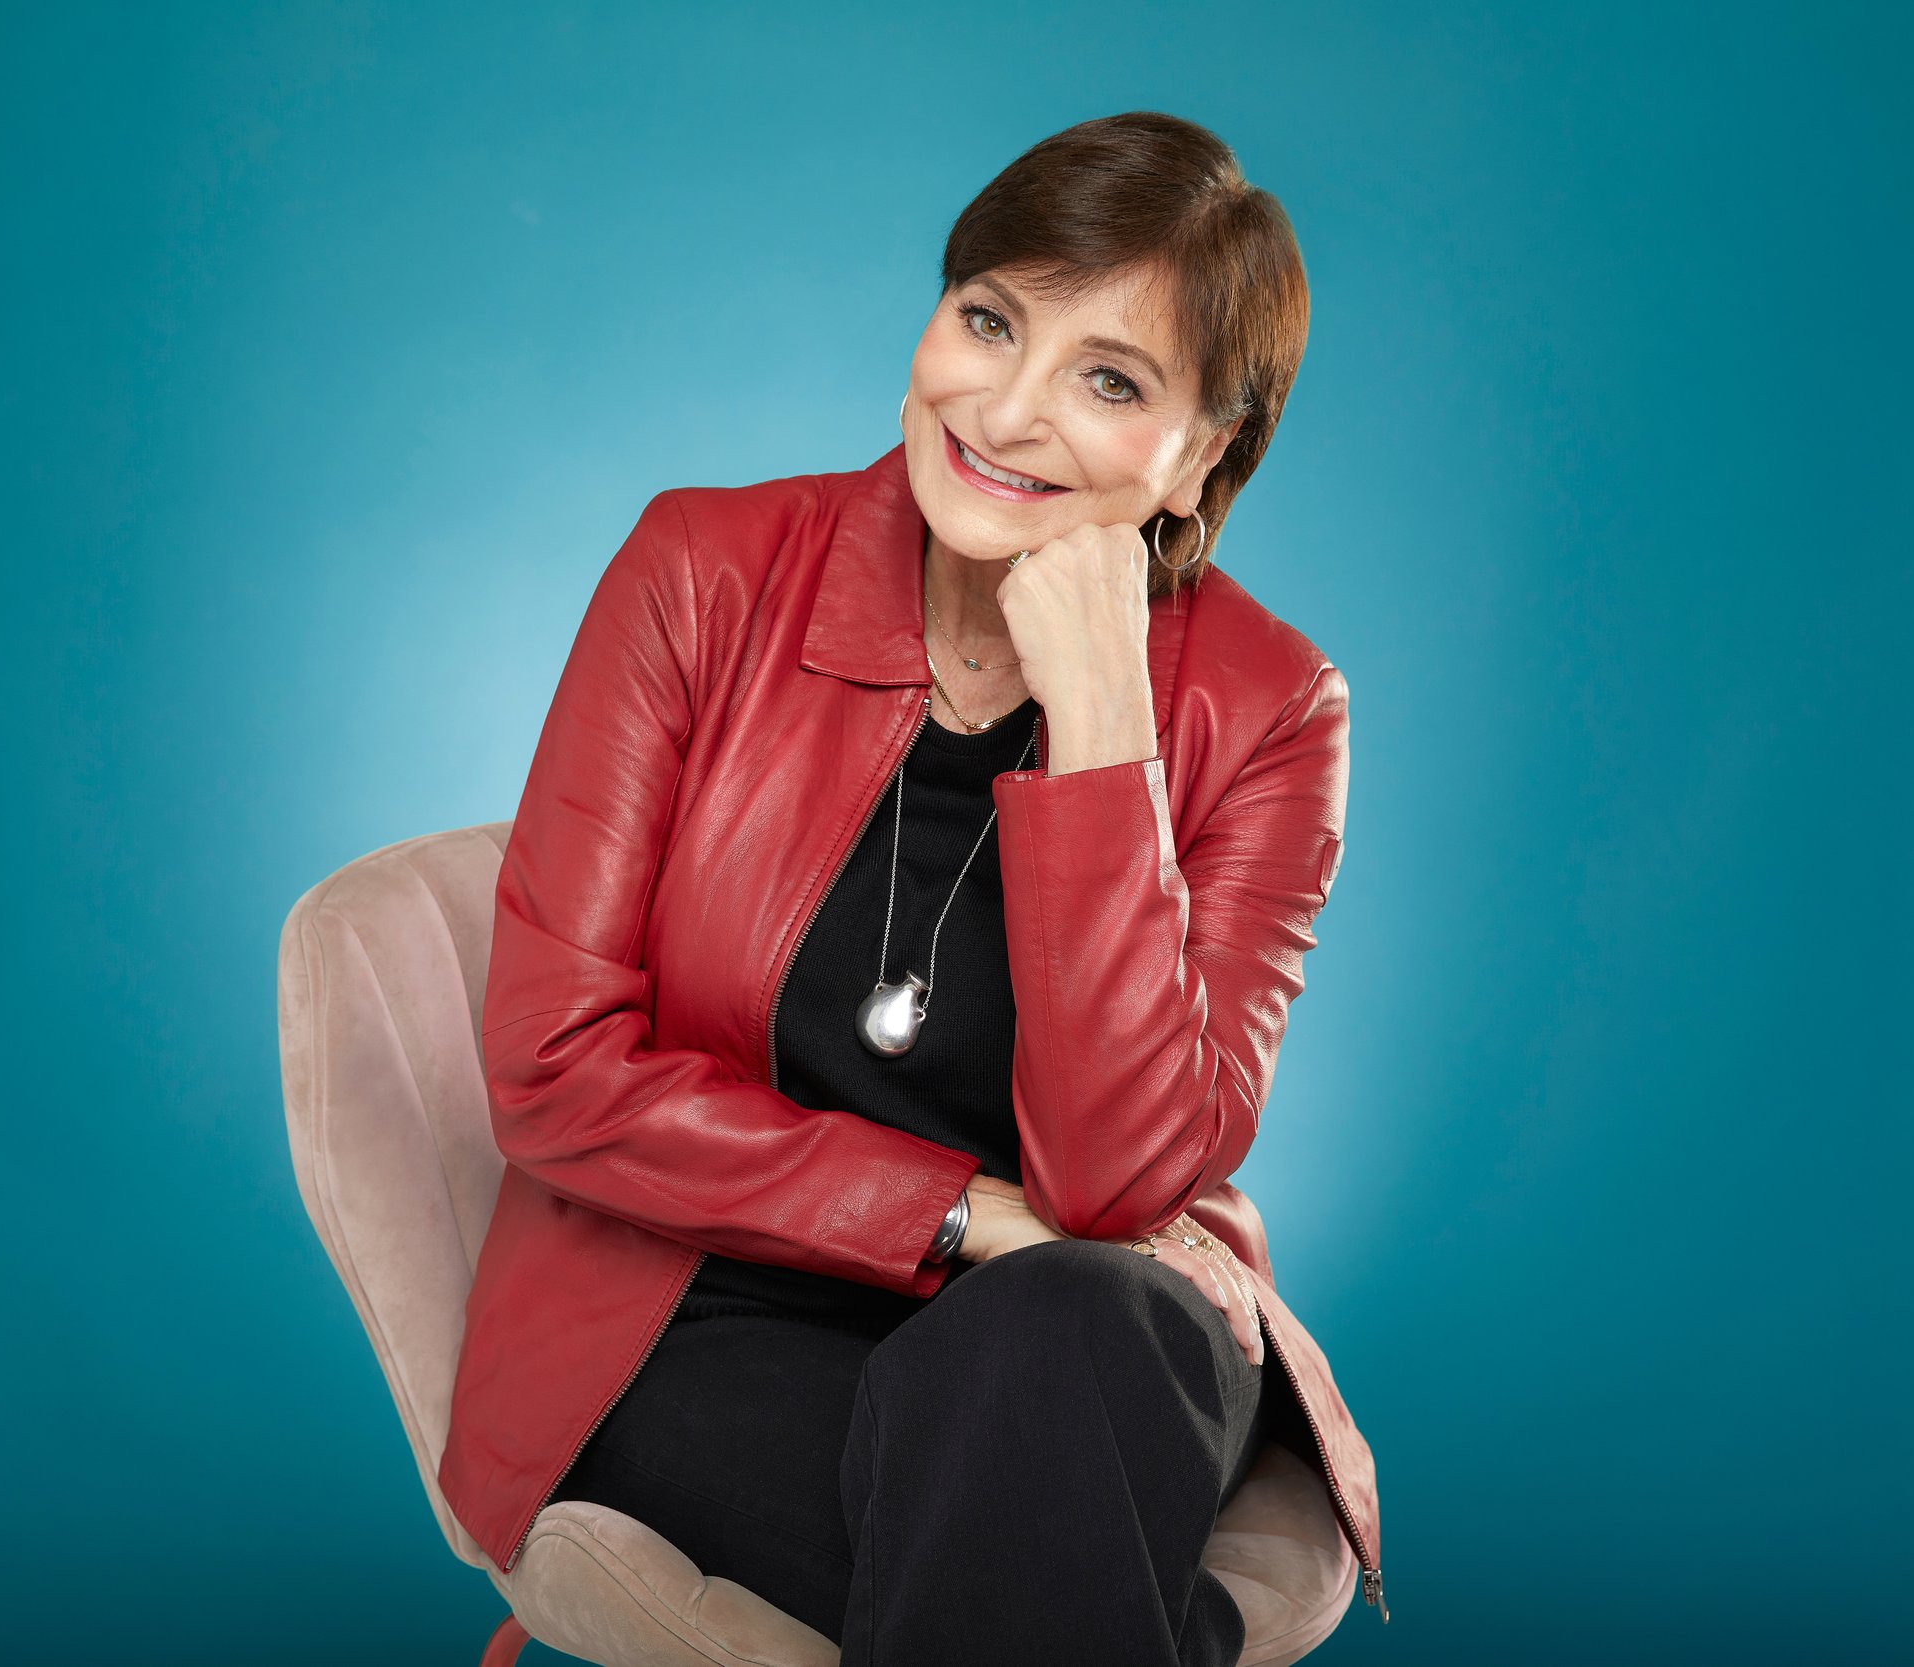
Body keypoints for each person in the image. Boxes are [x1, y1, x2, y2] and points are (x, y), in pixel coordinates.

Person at [441, 110, 1383, 1664]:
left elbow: (1121, 1200)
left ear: (1201, 452)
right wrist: (962, 1218)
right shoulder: (704, 572)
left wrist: (1104, 739)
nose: (1005, 412)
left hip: (1101, 1324)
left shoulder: (1276, 708)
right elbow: (554, 1073)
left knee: (1070, 1353)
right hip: (696, 1309)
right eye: (988, 319)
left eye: (1110, 380)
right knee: (1059, 1557)